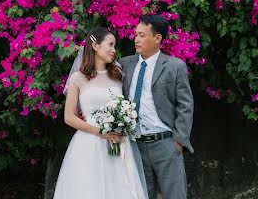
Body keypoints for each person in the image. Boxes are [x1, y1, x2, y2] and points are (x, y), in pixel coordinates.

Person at [53, 27, 148, 199]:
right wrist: (102, 133)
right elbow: (69, 117)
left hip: (117, 143)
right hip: (89, 144)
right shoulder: (78, 78)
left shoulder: (118, 74)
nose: (113, 50)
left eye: (115, 46)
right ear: (95, 46)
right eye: (110, 45)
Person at [119, 15, 194, 199]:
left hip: (166, 144)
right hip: (135, 145)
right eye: (135, 34)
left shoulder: (175, 66)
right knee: (141, 195)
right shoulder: (124, 64)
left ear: (157, 38)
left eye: (142, 35)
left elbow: (185, 105)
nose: (136, 39)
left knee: (174, 195)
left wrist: (179, 140)